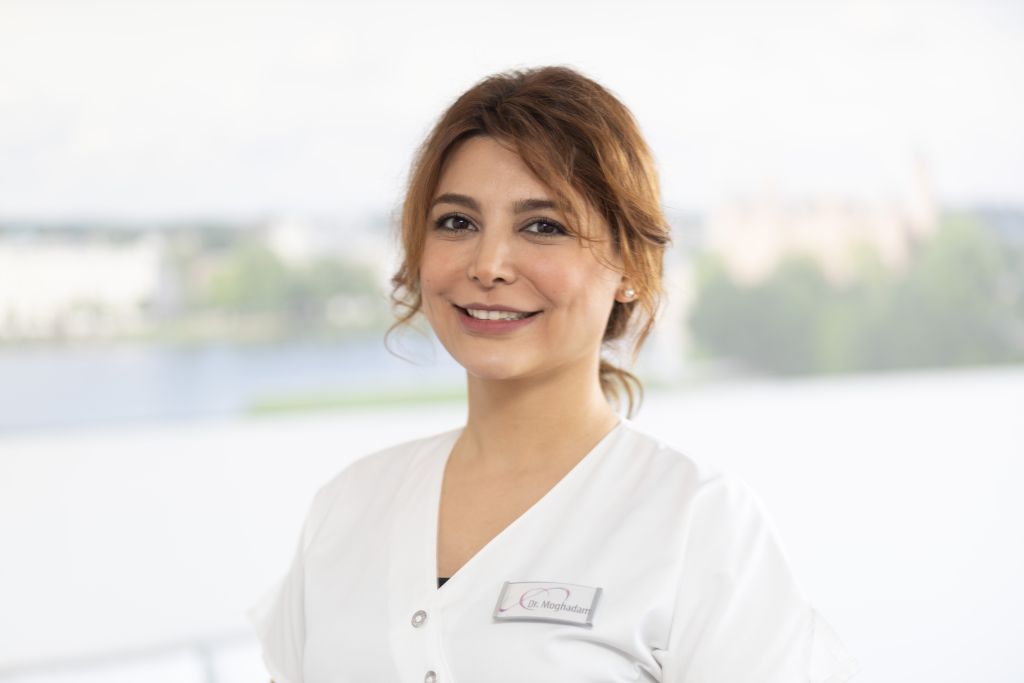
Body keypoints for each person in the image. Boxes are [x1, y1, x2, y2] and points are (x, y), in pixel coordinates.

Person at [247, 65, 860, 682]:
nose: (488, 265)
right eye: (457, 222)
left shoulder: (698, 522)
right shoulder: (349, 506)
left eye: (544, 226)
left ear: (630, 266)